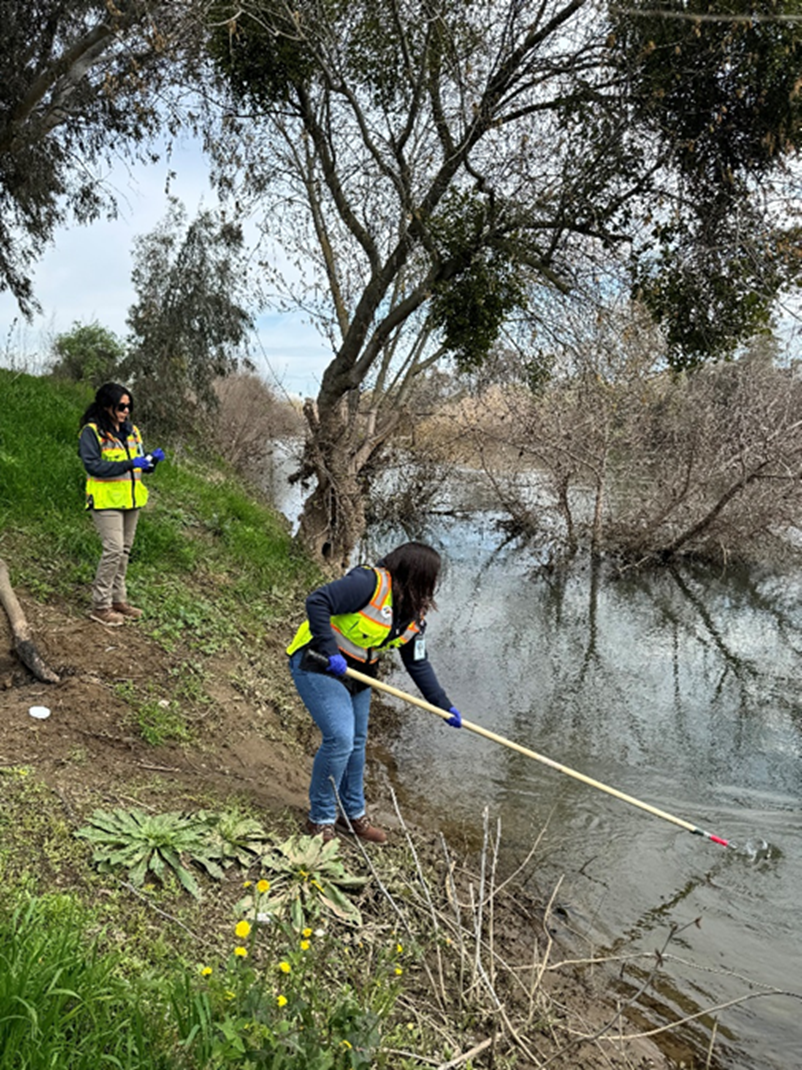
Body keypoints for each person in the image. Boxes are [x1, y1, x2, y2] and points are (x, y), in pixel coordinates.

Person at [286, 541, 462, 844]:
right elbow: (318, 601)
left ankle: (352, 816)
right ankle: (320, 819)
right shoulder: (369, 583)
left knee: (356, 743)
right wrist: (330, 651)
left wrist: (443, 705)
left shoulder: (413, 614)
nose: (431, 588)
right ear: (415, 573)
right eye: (430, 579)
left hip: (359, 677)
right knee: (340, 738)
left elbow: (417, 663)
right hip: (318, 662)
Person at [78, 382, 165, 627]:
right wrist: (129, 463)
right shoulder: (92, 432)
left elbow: (139, 462)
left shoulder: (132, 431)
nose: (126, 411)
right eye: (121, 406)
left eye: (129, 406)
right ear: (106, 406)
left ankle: (118, 600)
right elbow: (93, 465)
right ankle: (100, 605)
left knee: (124, 550)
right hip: (106, 501)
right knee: (113, 549)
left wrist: (150, 462)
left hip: (131, 499)